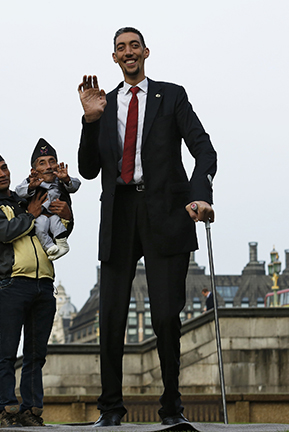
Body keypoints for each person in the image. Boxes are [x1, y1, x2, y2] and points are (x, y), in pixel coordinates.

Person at [77, 27, 217, 427]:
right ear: (115, 58)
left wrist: (200, 193)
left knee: (165, 317)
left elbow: (203, 149)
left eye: (134, 46)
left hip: (166, 211)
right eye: (121, 48)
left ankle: (171, 409)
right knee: (112, 317)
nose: (128, 53)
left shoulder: (171, 95)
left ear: (146, 52)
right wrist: (90, 120)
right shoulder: (103, 106)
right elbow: (88, 170)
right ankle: (110, 410)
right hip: (119, 212)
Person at [0, 146, 72, 428]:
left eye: (3, 168)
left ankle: (31, 409)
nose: (2, 174)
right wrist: (29, 215)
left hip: (44, 285)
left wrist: (67, 213)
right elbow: (3, 232)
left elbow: (55, 223)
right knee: (7, 351)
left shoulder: (26, 195)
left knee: (36, 354)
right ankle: (8, 409)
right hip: (13, 285)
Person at [16, 138, 80, 261]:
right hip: (39, 219)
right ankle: (49, 246)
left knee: (56, 224)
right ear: (34, 170)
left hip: (55, 215)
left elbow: (75, 185)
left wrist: (66, 179)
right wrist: (31, 187)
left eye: (52, 162)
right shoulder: (30, 182)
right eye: (42, 163)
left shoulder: (60, 180)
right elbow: (19, 192)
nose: (48, 167)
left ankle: (62, 245)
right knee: (41, 224)